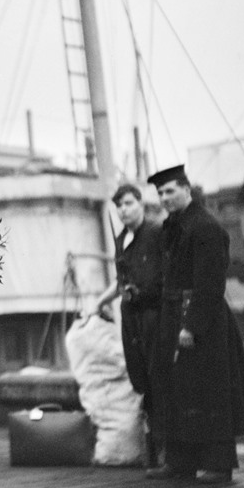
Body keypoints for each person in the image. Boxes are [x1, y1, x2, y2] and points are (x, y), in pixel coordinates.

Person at [145, 164, 244, 484]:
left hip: (202, 318)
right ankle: (180, 461)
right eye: (160, 193)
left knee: (208, 391)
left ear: (186, 189)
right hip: (174, 314)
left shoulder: (205, 227)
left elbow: (210, 283)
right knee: (176, 388)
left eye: (170, 191)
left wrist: (191, 326)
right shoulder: (174, 227)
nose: (164, 198)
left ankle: (219, 464)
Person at [88, 183, 164, 465]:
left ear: (141, 204)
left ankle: (166, 454)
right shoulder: (122, 239)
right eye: (119, 205)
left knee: (159, 379)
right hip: (131, 318)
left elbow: (164, 276)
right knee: (140, 378)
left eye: (129, 203)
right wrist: (98, 302)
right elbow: (121, 281)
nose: (123, 210)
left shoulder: (156, 233)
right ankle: (153, 453)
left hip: (154, 315)